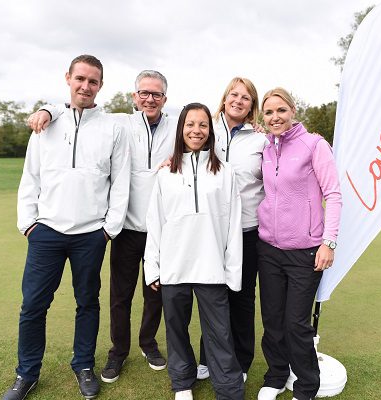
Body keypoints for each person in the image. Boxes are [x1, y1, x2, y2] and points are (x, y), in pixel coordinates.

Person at [28, 70, 176, 383]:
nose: (150, 98)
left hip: (163, 230)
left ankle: (148, 343)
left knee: (155, 294)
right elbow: (76, 109)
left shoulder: (177, 126)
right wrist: (48, 109)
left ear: (165, 98)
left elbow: (205, 132)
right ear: (134, 97)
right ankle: (118, 351)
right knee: (120, 295)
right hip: (126, 228)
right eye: (144, 93)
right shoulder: (117, 122)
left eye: (157, 94)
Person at [3, 54, 130, 400]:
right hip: (46, 232)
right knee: (33, 306)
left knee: (87, 302)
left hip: (91, 234)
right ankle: (26, 373)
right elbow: (30, 177)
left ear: (100, 86)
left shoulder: (112, 128)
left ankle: (83, 365)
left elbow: (120, 182)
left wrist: (109, 229)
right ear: (68, 79)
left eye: (93, 81)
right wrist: (28, 224)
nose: (86, 86)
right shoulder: (46, 125)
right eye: (80, 79)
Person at [144, 103, 245, 400]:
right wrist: (153, 267)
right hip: (174, 267)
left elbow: (233, 222)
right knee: (176, 330)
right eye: (190, 124)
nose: (196, 130)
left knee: (220, 334)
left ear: (210, 131)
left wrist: (232, 271)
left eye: (202, 125)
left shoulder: (225, 172)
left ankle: (228, 390)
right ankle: (182, 383)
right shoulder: (165, 174)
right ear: (181, 129)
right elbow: (156, 222)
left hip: (212, 266)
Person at [255, 88, 341, 400]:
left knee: (296, 325)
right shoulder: (264, 147)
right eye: (268, 113)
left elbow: (333, 193)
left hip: (306, 252)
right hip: (269, 249)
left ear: (293, 111)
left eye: (281, 110)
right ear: (262, 118)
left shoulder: (314, 145)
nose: (275, 117)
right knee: (272, 322)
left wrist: (328, 242)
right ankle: (276, 375)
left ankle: (306, 386)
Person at [197, 77, 267, 383]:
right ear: (225, 98)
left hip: (248, 230)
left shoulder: (261, 140)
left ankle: (241, 361)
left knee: (241, 297)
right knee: (212, 295)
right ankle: (207, 358)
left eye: (246, 97)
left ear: (252, 106)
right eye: (234, 95)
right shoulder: (205, 129)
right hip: (210, 229)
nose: (239, 100)